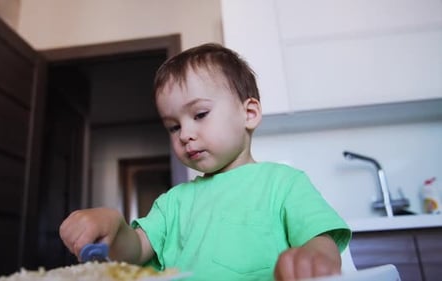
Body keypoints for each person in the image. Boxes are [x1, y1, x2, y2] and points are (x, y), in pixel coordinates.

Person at [59, 43, 351, 281]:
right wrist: (114, 226)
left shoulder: (284, 184)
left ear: (248, 113)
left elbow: (320, 239)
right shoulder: (172, 203)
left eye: (199, 115)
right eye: (173, 126)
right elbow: (135, 250)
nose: (185, 134)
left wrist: (317, 257)